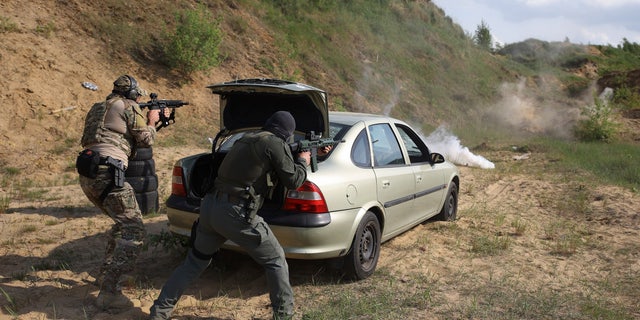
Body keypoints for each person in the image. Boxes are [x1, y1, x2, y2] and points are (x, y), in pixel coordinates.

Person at [150, 111, 313, 320]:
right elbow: (294, 181)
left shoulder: (247, 139)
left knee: (194, 263)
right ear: (287, 133)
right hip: (235, 212)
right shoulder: (274, 144)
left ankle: (159, 311)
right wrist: (303, 161)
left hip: (210, 207)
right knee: (276, 259)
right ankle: (284, 316)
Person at [77, 74, 163, 311]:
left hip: (88, 173)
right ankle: (109, 292)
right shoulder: (128, 106)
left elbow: (113, 137)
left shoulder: (98, 107)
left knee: (121, 223)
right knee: (134, 229)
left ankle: (105, 276)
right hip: (108, 173)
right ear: (132, 94)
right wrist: (153, 121)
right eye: (137, 95)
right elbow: (145, 139)